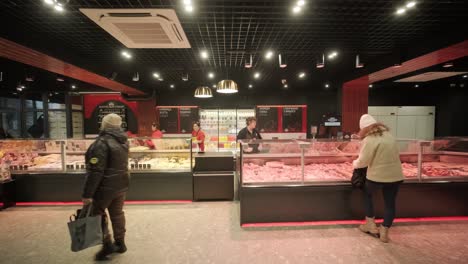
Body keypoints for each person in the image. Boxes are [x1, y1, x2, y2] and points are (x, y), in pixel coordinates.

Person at [82, 113, 130, 260]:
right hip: (120, 185)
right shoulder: (123, 141)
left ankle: (107, 244)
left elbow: (95, 171)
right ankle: (120, 243)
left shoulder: (101, 143)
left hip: (104, 188)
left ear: (104, 124)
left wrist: (87, 194)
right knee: (117, 214)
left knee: (97, 215)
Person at [353, 114, 404, 243]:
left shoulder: (370, 139)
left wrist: (354, 163)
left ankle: (370, 224)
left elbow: (363, 161)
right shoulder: (389, 136)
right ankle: (384, 231)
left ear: (364, 128)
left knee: (367, 194)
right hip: (395, 176)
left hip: (377, 176)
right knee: (390, 203)